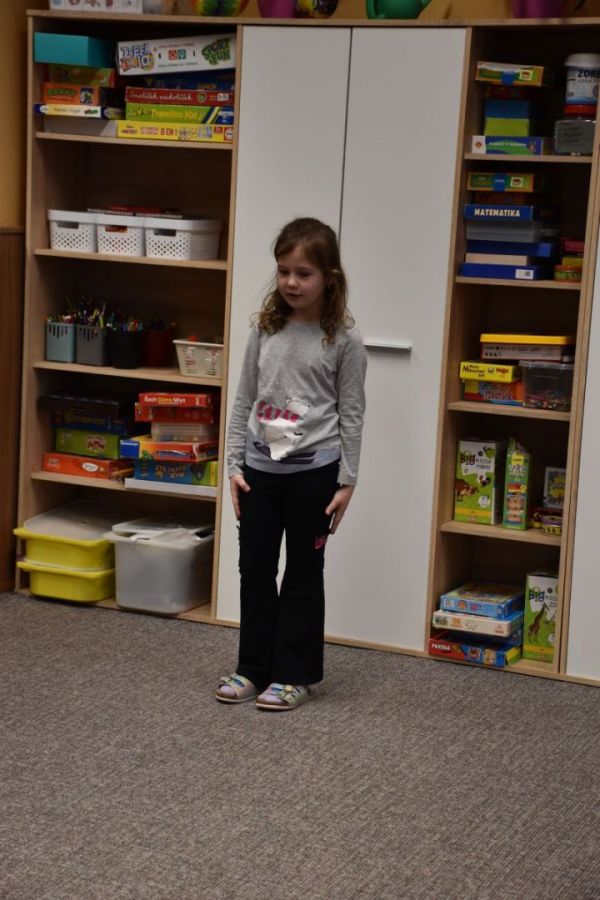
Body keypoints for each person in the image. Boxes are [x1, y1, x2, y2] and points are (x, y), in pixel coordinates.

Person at [216, 217, 367, 712]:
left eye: (304, 273)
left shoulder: (344, 340)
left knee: (303, 572)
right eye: (283, 271)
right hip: (259, 473)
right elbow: (243, 398)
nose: (291, 282)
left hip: (315, 476)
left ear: (329, 278)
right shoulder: (266, 329)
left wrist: (347, 481)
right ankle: (252, 669)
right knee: (255, 568)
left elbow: (352, 413)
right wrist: (233, 464)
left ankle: (293, 675)